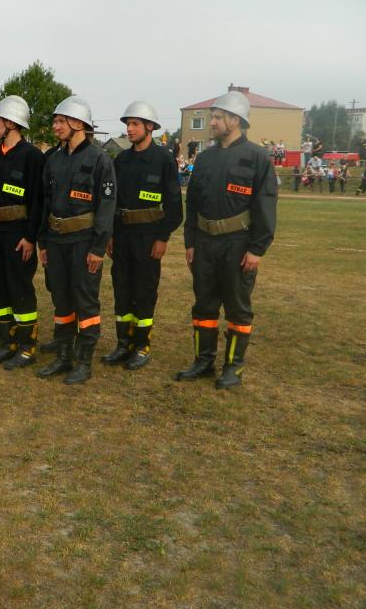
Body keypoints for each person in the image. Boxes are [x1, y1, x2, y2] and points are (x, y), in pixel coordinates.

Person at [174, 90, 277, 389]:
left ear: (235, 120)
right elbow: (192, 203)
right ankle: (203, 362)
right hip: (204, 243)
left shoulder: (257, 158)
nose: (213, 122)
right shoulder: (205, 158)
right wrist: (190, 242)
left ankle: (233, 367)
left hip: (238, 244)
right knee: (204, 305)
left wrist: (257, 249)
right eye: (213, 117)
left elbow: (266, 205)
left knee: (237, 308)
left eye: (218, 117)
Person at [35, 96, 116, 384]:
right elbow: (45, 203)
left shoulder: (99, 160)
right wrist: (43, 242)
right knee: (61, 299)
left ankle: (83, 362)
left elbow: (106, 207)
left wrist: (98, 248)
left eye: (61, 121)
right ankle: (63, 356)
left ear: (78, 124)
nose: (55, 126)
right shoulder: (54, 159)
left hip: (84, 243)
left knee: (85, 302)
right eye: (55, 121)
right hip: (56, 242)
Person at [101, 101, 183, 371]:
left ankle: (142, 346)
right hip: (122, 237)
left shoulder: (163, 160)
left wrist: (162, 238)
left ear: (150, 127)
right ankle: (123, 344)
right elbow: (112, 201)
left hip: (148, 239)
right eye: (128, 124)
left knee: (144, 291)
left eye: (135, 124)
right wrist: (110, 235)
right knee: (122, 289)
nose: (130, 129)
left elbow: (174, 206)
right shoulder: (121, 160)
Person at [0, 95, 45, 370]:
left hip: (18, 234)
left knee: (20, 288)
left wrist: (30, 237)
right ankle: (7, 343)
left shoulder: (32, 157)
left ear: (12, 123)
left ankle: (27, 346)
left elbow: (38, 201)